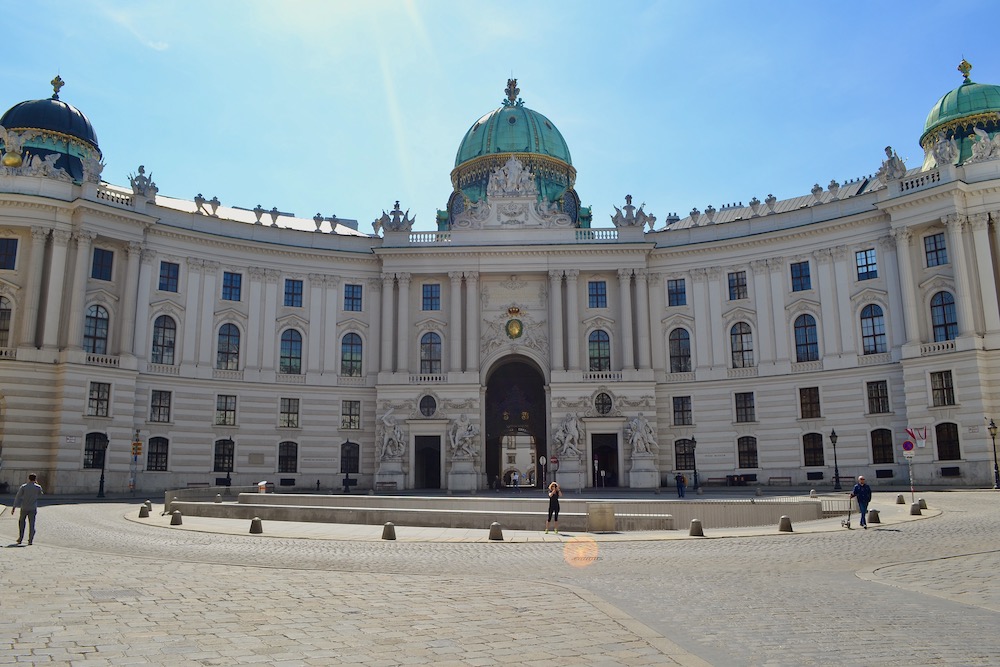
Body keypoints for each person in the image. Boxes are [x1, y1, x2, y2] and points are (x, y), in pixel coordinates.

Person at [10, 473, 43, 545]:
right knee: (32, 524)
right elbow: (41, 494)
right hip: (33, 508)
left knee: (21, 522)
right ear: (35, 479)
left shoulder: (24, 486)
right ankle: (30, 540)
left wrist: (14, 507)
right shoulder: (38, 487)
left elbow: (18, 496)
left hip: (24, 507)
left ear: (28, 478)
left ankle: (20, 538)